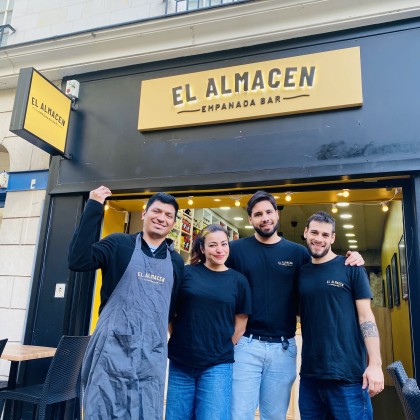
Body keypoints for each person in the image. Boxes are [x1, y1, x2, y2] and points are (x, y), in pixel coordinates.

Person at [227, 190, 364, 420]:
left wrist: (352, 259)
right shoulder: (235, 250)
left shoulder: (298, 253)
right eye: (258, 214)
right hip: (246, 345)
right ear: (250, 219)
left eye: (269, 211)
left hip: (283, 348)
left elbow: (323, 268)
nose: (265, 218)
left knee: (276, 416)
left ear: (277, 214)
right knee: (239, 414)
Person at [68, 185, 184, 420]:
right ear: (144, 214)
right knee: (102, 409)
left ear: (172, 224)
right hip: (112, 349)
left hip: (151, 354)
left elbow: (170, 309)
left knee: (144, 411)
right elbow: (78, 260)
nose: (161, 218)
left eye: (168, 216)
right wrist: (94, 207)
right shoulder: (118, 244)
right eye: (157, 211)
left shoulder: (176, 261)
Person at [298, 211, 384, 419]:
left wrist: (375, 365)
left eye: (325, 235)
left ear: (333, 238)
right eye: (315, 233)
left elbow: (366, 318)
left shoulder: (351, 268)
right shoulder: (301, 273)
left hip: (349, 377)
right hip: (310, 377)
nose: (319, 239)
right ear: (305, 233)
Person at [165, 224, 252, 420]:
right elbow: (170, 313)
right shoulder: (186, 273)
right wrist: (180, 337)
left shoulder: (238, 281)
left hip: (217, 365)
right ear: (202, 249)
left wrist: (223, 346)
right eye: (213, 245)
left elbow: (241, 323)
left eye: (224, 244)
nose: (220, 250)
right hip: (181, 362)